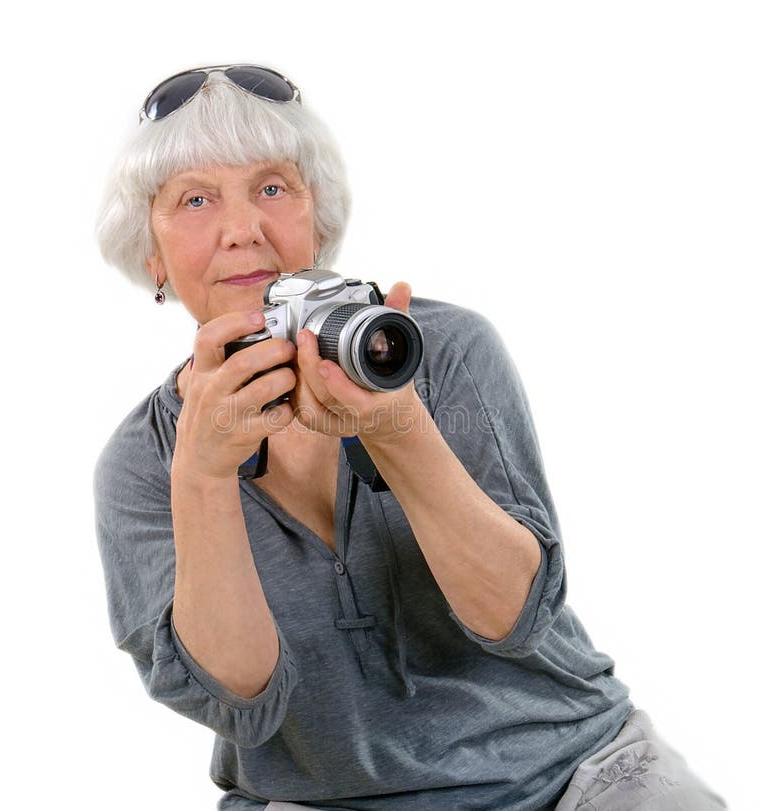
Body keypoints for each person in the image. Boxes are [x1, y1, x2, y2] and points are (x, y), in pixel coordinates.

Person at [93, 65, 727, 811]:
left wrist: (397, 427)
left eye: (272, 187)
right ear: (153, 256)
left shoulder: (439, 349)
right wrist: (200, 473)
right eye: (195, 200)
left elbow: (514, 617)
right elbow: (241, 698)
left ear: (317, 218)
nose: (243, 230)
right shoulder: (142, 460)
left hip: (570, 776)